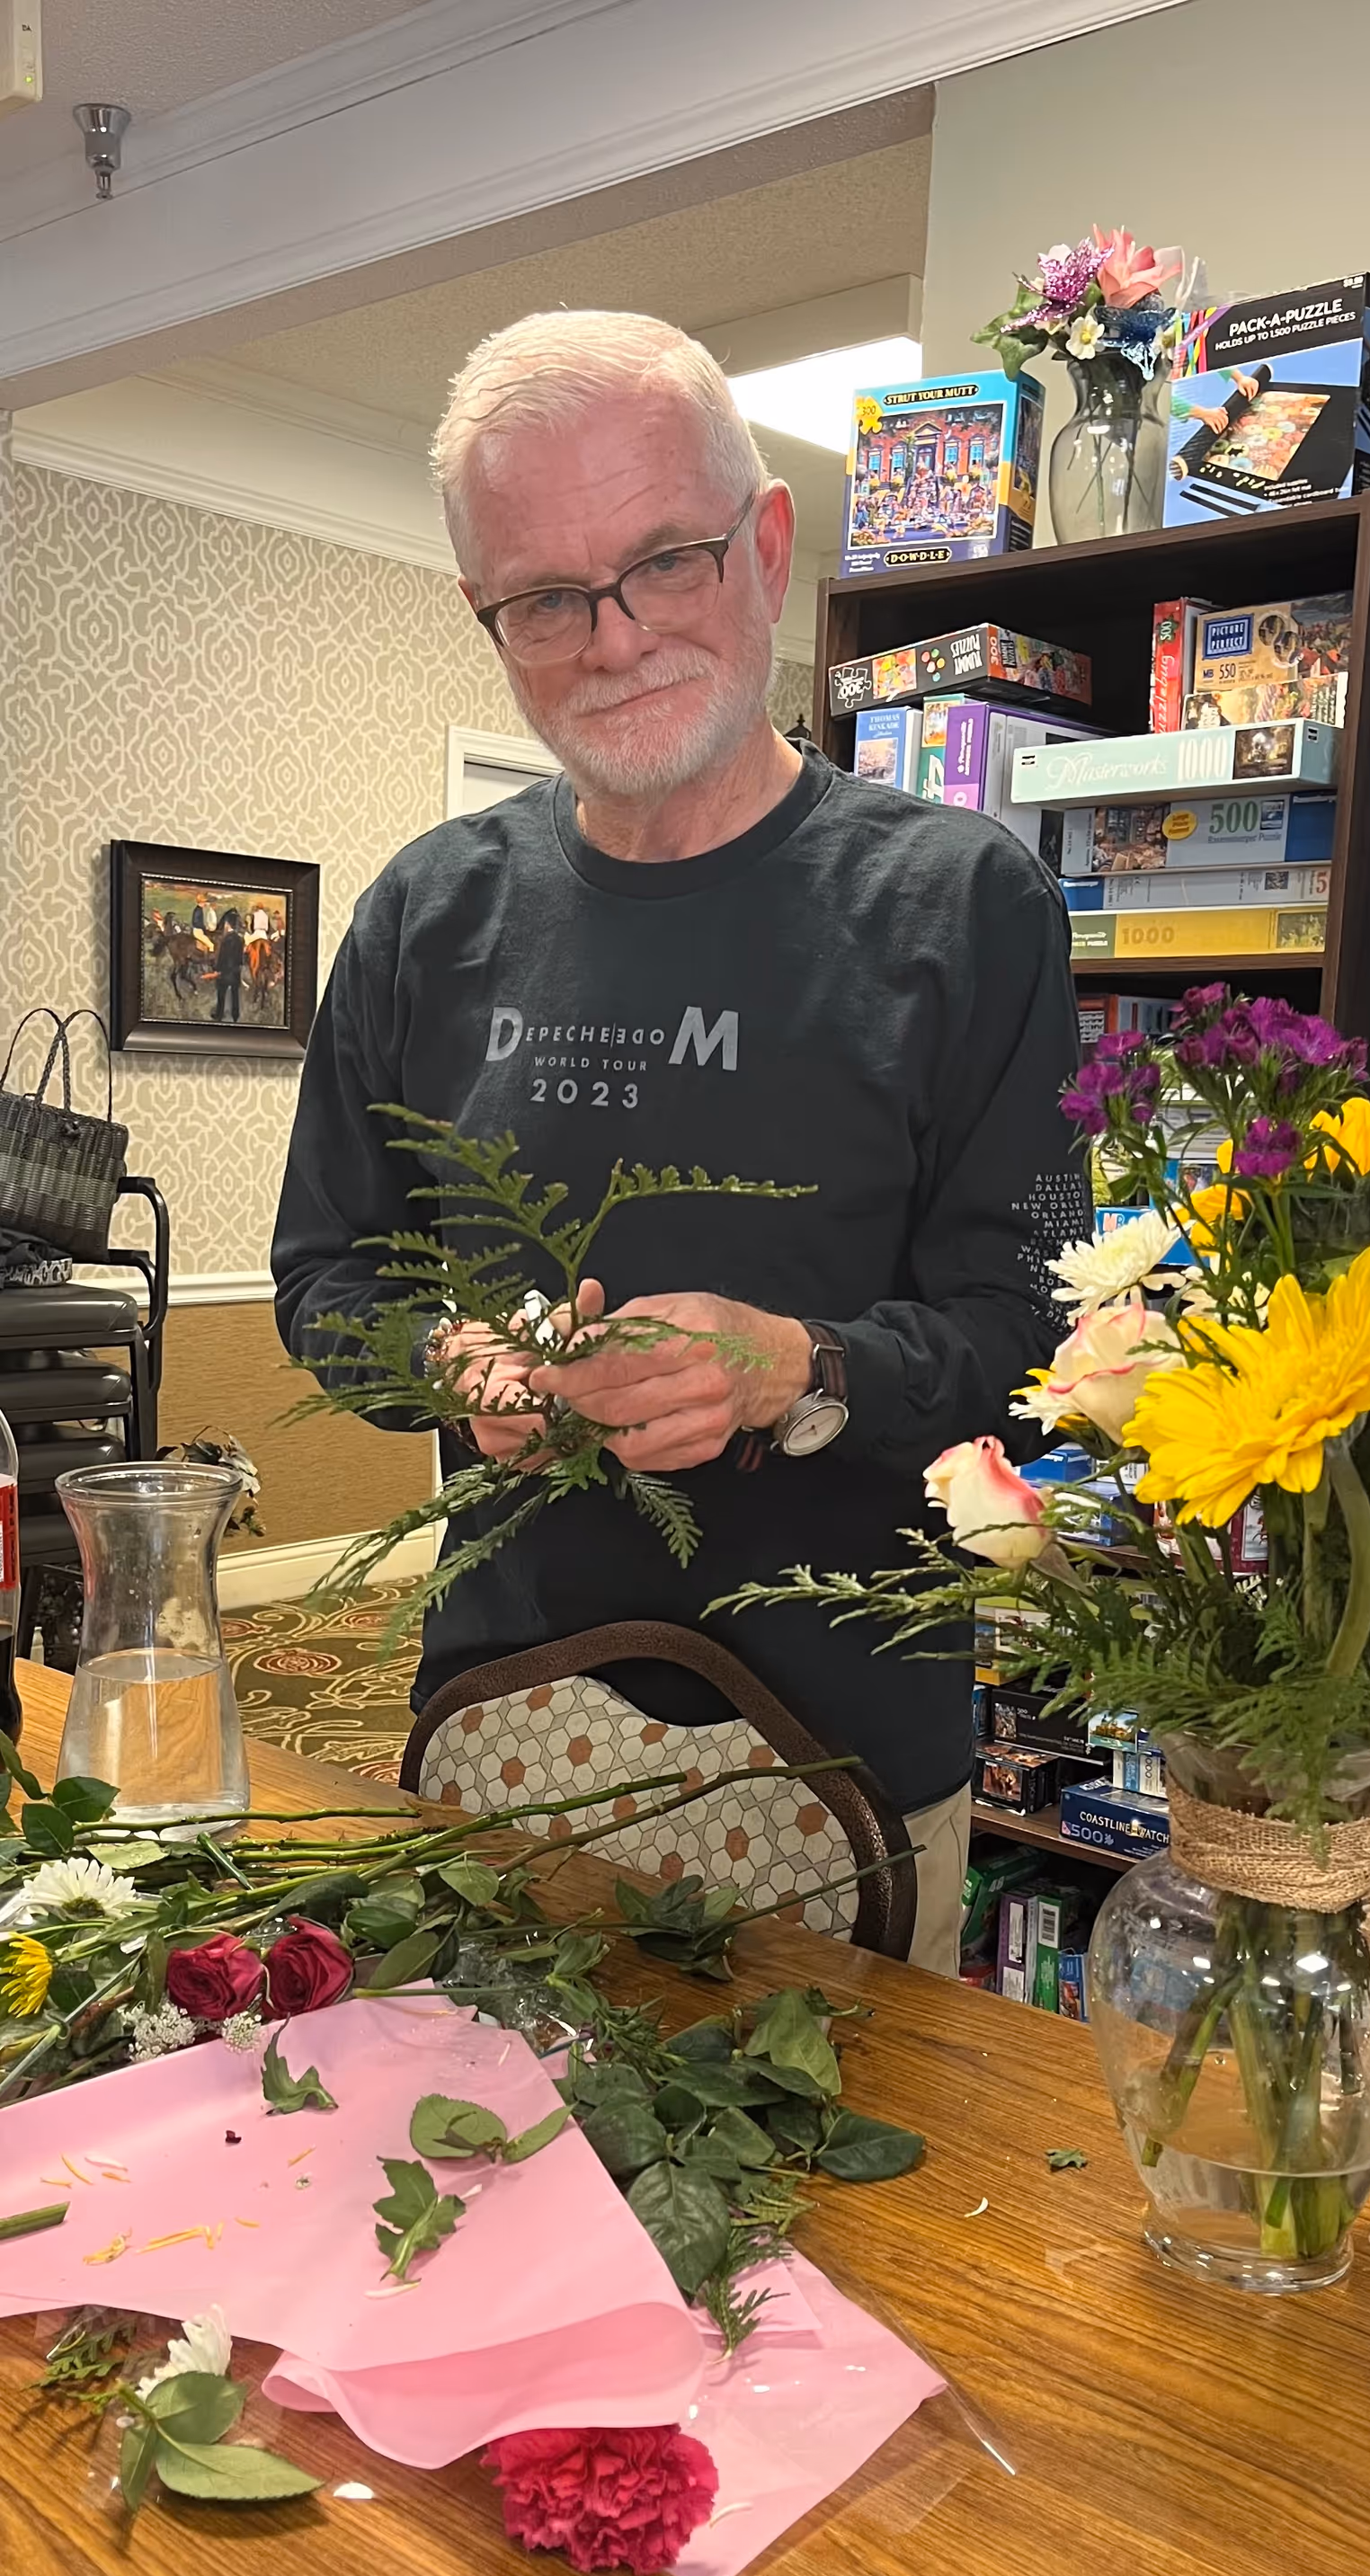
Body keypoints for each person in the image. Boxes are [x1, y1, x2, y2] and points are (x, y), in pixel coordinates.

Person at [271, 310, 1081, 1975]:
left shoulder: (961, 902)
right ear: (487, 612)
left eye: (666, 561)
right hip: (498, 1715)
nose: (615, 636)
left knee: (839, 2228)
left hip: (843, 1751)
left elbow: (1032, 1324)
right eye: (547, 598)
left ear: (768, 546)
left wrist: (800, 1367)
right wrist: (447, 1362)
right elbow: (321, 1270)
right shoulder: (429, 913)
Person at [211, 910, 245, 1025]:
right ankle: (235, 1016)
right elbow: (241, 959)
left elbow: (222, 957)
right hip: (235, 971)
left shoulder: (226, 940)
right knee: (235, 994)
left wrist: (217, 970)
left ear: (227, 924)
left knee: (221, 993)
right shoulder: (240, 939)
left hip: (225, 972)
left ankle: (219, 1015)